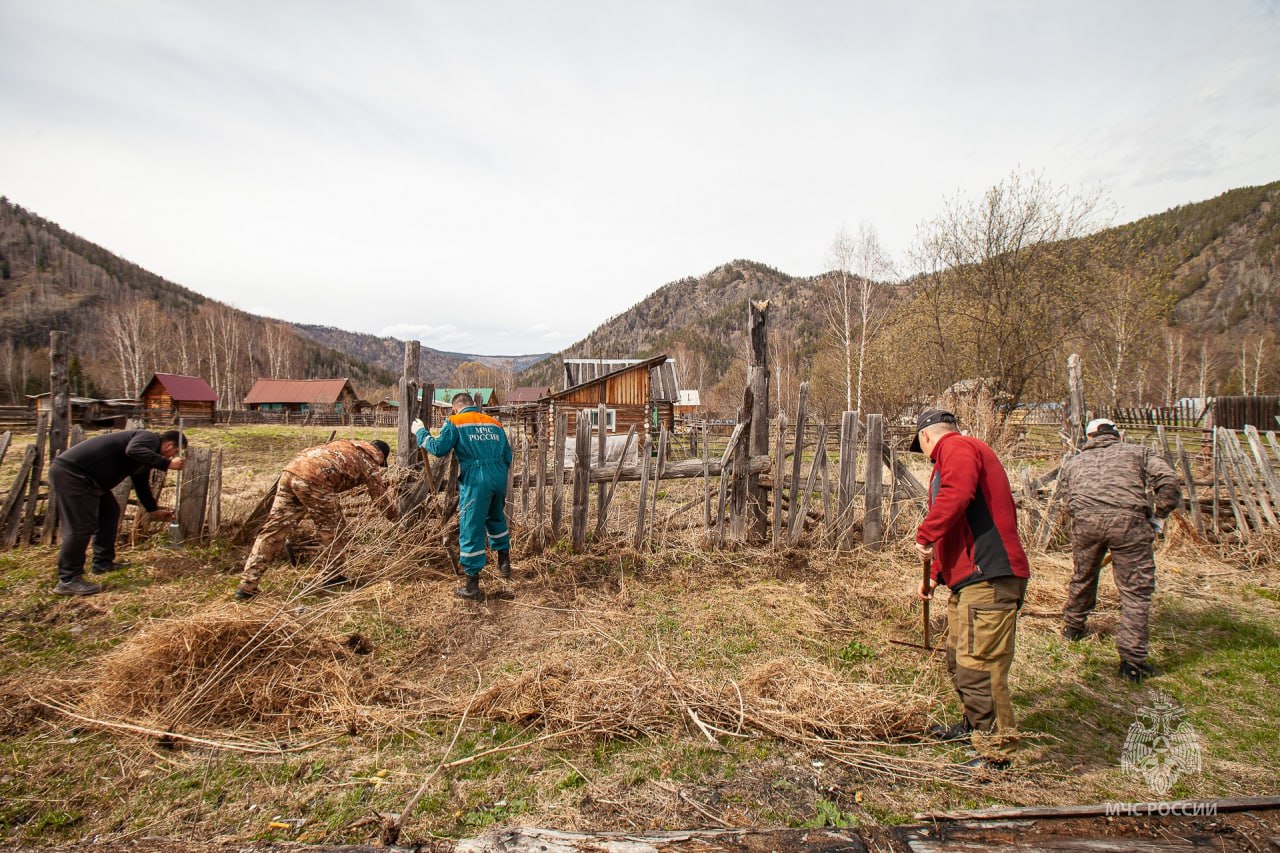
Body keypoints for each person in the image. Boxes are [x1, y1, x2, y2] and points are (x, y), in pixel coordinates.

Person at [911, 409, 1030, 770]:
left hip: (989, 580)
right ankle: (973, 726)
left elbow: (958, 495)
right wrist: (936, 575)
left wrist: (925, 532)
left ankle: (996, 752)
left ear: (928, 437)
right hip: (969, 581)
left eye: (923, 447)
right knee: (958, 659)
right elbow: (961, 528)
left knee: (980, 667)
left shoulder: (958, 448)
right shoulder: (953, 455)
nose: (926, 454)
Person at [1058, 418, 1181, 682]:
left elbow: (1066, 499)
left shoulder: (1074, 461)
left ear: (1089, 437)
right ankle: (1132, 662)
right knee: (1135, 591)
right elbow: (1168, 481)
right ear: (1116, 434)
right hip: (1129, 523)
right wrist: (1159, 516)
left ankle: (1073, 627)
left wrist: (1083, 515)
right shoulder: (1138, 452)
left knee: (1084, 575)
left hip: (1086, 523)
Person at [235, 439, 398, 600]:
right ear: (381, 456)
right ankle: (332, 576)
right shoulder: (369, 462)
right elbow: (380, 501)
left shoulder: (345, 445)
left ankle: (247, 585)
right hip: (315, 480)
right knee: (335, 530)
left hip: (290, 471)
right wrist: (398, 519)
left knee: (274, 531)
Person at [47, 428, 186, 596]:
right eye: (175, 452)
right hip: (73, 474)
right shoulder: (149, 438)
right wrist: (168, 464)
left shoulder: (145, 457)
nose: (172, 456)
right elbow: (133, 450)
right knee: (81, 525)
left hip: (91, 480)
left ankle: (102, 563)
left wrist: (152, 510)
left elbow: (141, 484)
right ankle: (68, 579)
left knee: (110, 512)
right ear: (168, 444)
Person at [413, 392, 513, 600]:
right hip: (499, 475)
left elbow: (439, 449)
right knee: (496, 517)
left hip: (477, 478)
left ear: (455, 408)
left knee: (471, 525)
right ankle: (504, 564)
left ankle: (472, 586)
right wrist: (497, 470)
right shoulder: (494, 423)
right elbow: (507, 455)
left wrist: (421, 433)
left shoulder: (455, 421)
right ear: (474, 405)